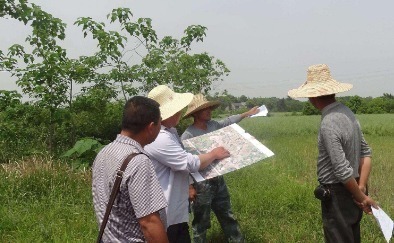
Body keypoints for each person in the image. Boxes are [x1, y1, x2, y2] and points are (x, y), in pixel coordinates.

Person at [288, 64, 377, 243]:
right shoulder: (348, 113)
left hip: (338, 193)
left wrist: (362, 197)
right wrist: (361, 186)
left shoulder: (328, 122)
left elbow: (342, 170)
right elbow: (365, 153)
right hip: (355, 187)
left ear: (312, 96)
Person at [144, 85, 231, 243]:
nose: (179, 112)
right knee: (185, 228)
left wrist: (188, 185)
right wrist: (213, 154)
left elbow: (180, 165)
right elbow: (188, 163)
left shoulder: (171, 132)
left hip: (176, 205)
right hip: (166, 207)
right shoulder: (161, 137)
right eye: (177, 110)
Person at [180, 93, 259, 243]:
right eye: (205, 109)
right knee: (201, 222)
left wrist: (247, 114)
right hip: (201, 183)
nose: (209, 111)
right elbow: (184, 164)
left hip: (218, 179)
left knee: (227, 215)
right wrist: (190, 187)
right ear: (196, 113)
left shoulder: (214, 126)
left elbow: (228, 121)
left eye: (210, 108)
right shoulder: (188, 135)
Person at [92, 96, 168, 243]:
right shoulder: (138, 162)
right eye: (160, 123)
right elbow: (149, 223)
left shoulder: (104, 153)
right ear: (151, 127)